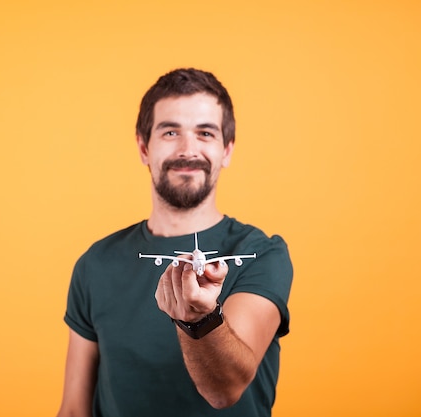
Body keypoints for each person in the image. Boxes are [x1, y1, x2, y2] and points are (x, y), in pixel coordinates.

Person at [56, 68, 293, 417]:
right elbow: (74, 410)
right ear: (143, 147)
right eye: (170, 132)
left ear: (226, 150)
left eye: (205, 133)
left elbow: (225, 390)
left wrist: (198, 318)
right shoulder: (96, 264)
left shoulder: (261, 253)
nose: (188, 150)